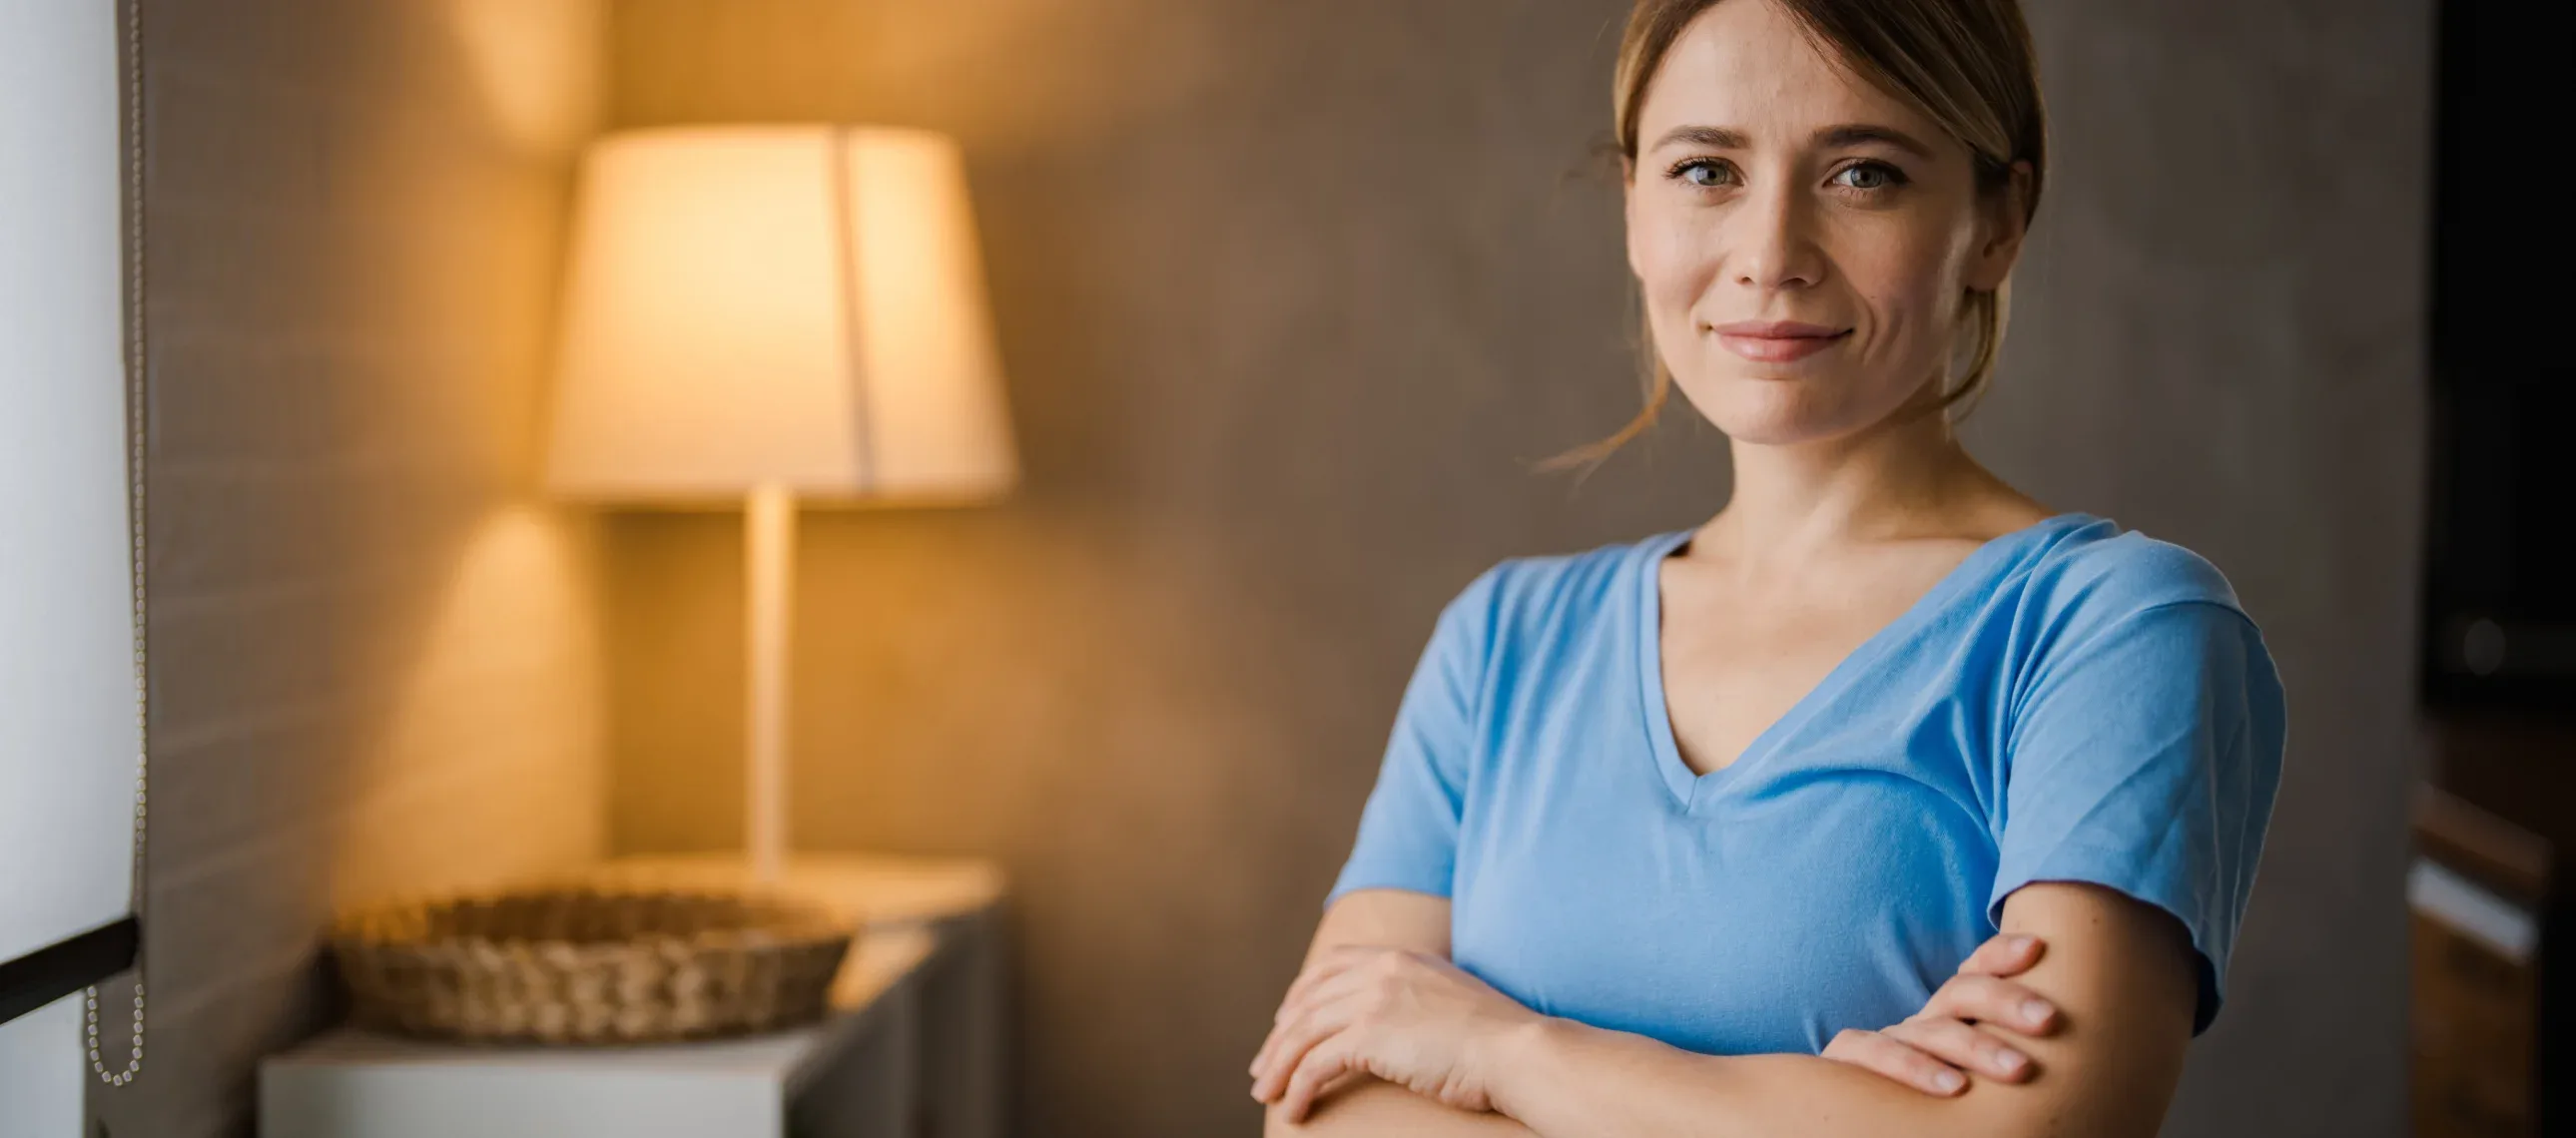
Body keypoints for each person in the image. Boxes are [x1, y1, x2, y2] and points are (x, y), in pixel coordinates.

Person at [1245, 0, 2287, 1134]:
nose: (1771, 255)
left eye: (1865, 175)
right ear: (1634, 209)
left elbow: (2027, 1132)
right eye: (1705, 171)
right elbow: (1322, 1110)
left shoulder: (2112, 631)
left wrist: (1498, 1048)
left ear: (1998, 222)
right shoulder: (1502, 641)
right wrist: (1812, 1108)